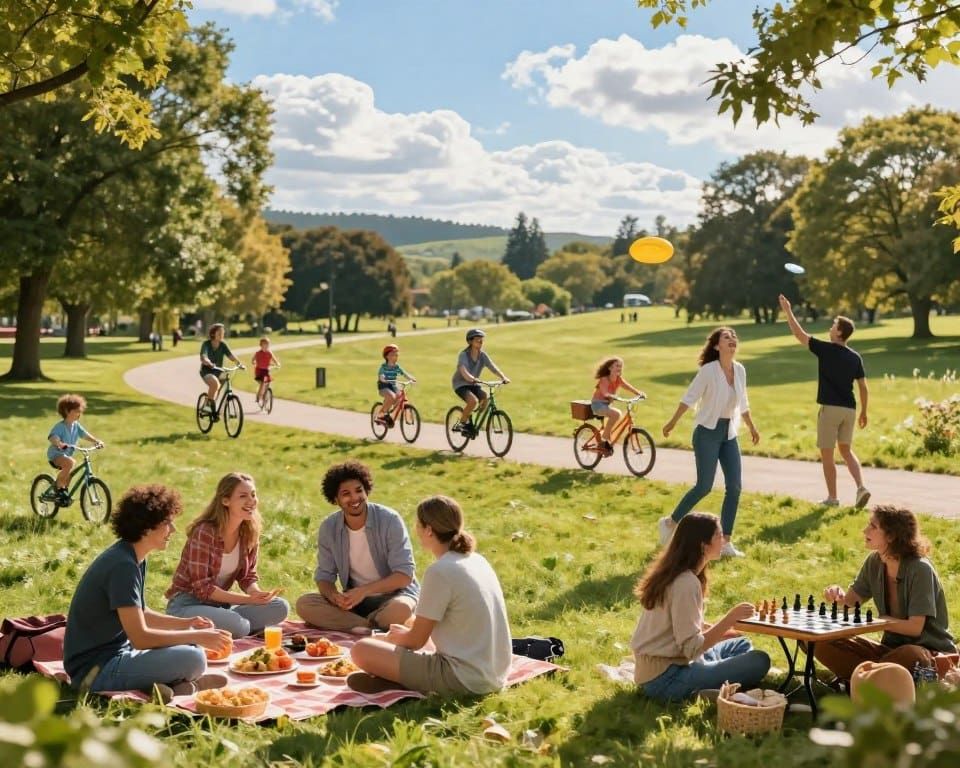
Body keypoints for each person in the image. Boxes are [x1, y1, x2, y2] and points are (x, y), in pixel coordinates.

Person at [63, 484, 231, 702]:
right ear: (146, 527)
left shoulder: (133, 557)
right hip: (95, 670)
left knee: (191, 646)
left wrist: (186, 624)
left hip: (118, 653)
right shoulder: (123, 566)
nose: (173, 529)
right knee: (194, 657)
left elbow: (140, 612)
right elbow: (141, 638)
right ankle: (178, 684)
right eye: (167, 522)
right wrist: (197, 636)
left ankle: (165, 687)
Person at [349, 495, 512, 695]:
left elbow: (415, 641)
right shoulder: (477, 560)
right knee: (401, 634)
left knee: (362, 649)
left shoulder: (440, 571)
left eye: (418, 524)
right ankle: (401, 682)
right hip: (495, 673)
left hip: (464, 678)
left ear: (428, 530)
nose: (416, 529)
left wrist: (395, 639)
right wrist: (405, 634)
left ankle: (408, 684)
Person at [631, 512, 770, 701]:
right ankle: (707, 686)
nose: (724, 540)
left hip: (674, 663)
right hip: (665, 678)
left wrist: (712, 629)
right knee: (759, 660)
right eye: (719, 536)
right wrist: (730, 619)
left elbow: (678, 626)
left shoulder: (680, 575)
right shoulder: (685, 583)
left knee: (741, 644)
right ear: (703, 545)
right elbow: (692, 648)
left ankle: (711, 680)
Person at [815, 505, 956, 683]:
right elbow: (849, 603)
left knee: (912, 655)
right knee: (821, 642)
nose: (865, 530)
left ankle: (863, 680)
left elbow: (914, 628)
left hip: (927, 652)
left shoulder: (920, 569)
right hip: (890, 652)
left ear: (891, 536)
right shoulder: (874, 561)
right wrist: (837, 595)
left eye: (873, 526)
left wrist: (880, 622)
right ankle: (875, 680)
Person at [660, 327, 760, 557]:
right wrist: (672, 422)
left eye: (734, 336)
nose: (732, 339)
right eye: (727, 337)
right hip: (706, 432)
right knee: (704, 486)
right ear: (717, 346)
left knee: (734, 487)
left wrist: (752, 427)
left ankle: (725, 542)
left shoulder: (740, 370)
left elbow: (743, 403)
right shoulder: (708, 371)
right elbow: (689, 398)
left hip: (728, 433)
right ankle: (670, 522)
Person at [296, 461, 419, 633]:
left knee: (402, 609)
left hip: (395, 598)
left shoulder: (389, 519)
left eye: (359, 490)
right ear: (335, 499)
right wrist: (334, 596)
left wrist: (363, 591)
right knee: (304, 604)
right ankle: (371, 627)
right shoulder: (329, 527)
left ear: (366, 490)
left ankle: (357, 626)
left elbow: (404, 575)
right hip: (354, 604)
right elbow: (324, 577)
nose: (355, 498)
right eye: (346, 494)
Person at [165, 472, 289, 637]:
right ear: (225, 501)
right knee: (239, 626)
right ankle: (232, 623)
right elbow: (203, 589)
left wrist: (256, 593)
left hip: (220, 606)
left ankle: (230, 621)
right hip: (187, 605)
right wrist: (249, 600)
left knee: (280, 607)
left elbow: (247, 576)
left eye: (253, 495)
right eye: (243, 496)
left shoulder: (249, 532)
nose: (251, 501)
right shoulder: (205, 532)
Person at [777, 294, 870, 508]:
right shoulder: (855, 357)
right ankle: (861, 487)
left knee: (828, 455)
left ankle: (832, 498)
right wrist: (864, 412)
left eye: (833, 325)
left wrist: (788, 310)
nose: (830, 327)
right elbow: (863, 387)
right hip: (850, 410)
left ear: (839, 332)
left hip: (830, 410)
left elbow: (799, 334)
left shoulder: (826, 349)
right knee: (846, 451)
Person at [451, 328, 510, 437]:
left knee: (485, 398)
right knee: (472, 401)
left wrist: (503, 377)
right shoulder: (464, 355)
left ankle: (472, 420)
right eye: (477, 339)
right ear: (470, 341)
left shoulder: (482, 355)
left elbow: (492, 367)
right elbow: (462, 369)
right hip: (461, 384)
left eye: (482, 339)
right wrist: (471, 378)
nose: (481, 341)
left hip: (473, 383)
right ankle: (462, 423)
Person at [47, 393, 104, 506]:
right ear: (67, 411)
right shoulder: (60, 426)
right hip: (56, 454)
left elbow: (84, 434)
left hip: (66, 454)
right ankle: (58, 489)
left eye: (80, 411)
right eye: (76, 411)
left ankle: (64, 491)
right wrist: (59, 443)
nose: (79, 413)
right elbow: (52, 437)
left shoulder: (76, 425)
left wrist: (96, 441)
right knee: (70, 463)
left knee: (70, 470)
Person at [590, 356, 646, 457]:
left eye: (620, 366)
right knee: (616, 414)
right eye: (617, 366)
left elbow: (628, 386)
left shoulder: (618, 379)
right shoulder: (604, 379)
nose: (619, 368)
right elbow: (604, 392)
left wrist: (639, 393)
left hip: (606, 405)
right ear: (610, 368)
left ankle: (605, 439)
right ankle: (603, 441)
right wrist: (610, 395)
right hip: (598, 404)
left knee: (616, 415)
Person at [200, 322, 242, 420]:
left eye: (223, 332)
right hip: (207, 371)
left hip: (218, 371)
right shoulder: (206, 344)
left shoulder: (223, 345)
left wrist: (239, 363)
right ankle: (206, 407)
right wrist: (208, 362)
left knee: (221, 386)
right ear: (213, 333)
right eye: (219, 332)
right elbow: (203, 356)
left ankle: (218, 411)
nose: (222, 334)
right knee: (215, 384)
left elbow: (230, 355)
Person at [376, 344, 416, 426]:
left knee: (401, 397)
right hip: (384, 386)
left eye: (397, 354)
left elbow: (404, 374)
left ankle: (392, 417)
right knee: (392, 396)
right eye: (393, 354)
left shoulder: (396, 367)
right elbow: (381, 376)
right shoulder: (383, 367)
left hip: (393, 386)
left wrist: (411, 378)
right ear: (387, 356)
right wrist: (384, 380)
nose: (396, 356)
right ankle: (380, 415)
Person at [251, 337, 281, 410]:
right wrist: (254, 362)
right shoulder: (257, 353)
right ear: (261, 345)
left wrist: (278, 364)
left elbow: (275, 360)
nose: (266, 346)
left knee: (267, 383)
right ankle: (258, 396)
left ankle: (265, 396)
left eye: (267, 344)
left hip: (266, 371)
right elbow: (253, 360)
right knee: (262, 383)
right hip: (259, 371)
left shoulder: (269, 353)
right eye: (264, 344)